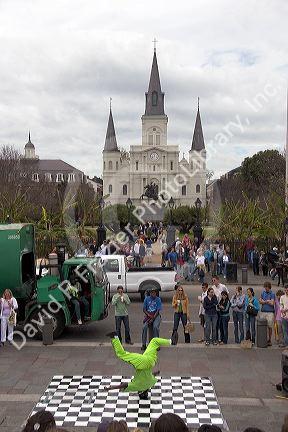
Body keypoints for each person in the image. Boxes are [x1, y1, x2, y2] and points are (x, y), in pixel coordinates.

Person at [105, 333, 175, 399]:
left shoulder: (150, 383)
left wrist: (157, 372)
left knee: (154, 341)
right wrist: (110, 388)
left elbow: (153, 374)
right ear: (141, 392)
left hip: (151, 360)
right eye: (139, 393)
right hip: (142, 362)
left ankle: (171, 341)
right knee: (123, 354)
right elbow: (124, 385)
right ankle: (115, 337)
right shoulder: (138, 386)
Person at [259, 281, 275, 346]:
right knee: (263, 326)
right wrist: (267, 301)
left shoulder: (272, 294)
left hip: (270, 312)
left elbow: (272, 303)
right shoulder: (263, 293)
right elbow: (260, 301)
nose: (265, 289)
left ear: (269, 287)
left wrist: (264, 301)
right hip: (263, 311)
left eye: (266, 287)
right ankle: (263, 339)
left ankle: (269, 339)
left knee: (269, 326)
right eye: (265, 287)